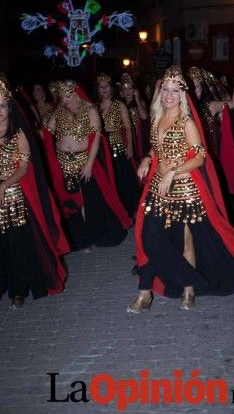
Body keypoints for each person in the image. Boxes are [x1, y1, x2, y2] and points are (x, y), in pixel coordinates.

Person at [127, 66, 234, 313]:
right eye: (166, 90)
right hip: (159, 189)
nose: (169, 95)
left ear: (182, 94)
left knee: (187, 242)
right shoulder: (157, 118)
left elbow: (201, 157)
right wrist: (147, 159)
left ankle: (188, 289)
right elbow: (156, 149)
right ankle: (145, 291)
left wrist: (173, 171)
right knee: (148, 237)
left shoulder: (187, 121)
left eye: (175, 90)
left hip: (185, 190)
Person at [0, 74, 69, 308]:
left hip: (16, 199)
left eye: (2, 105)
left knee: (17, 244)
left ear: (9, 107)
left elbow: (24, 168)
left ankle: (18, 289)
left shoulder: (17, 134)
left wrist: (4, 185)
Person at [43, 79, 131, 251]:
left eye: (67, 96)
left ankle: (93, 233)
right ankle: (81, 238)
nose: (64, 99)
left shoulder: (90, 109)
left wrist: (89, 164)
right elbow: (47, 131)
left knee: (87, 200)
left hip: (83, 161)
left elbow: (96, 137)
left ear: (75, 93)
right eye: (62, 96)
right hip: (63, 162)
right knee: (71, 201)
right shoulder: (60, 110)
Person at [188, 67, 234, 236]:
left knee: (216, 193)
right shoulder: (183, 111)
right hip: (190, 158)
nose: (195, 91)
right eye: (191, 87)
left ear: (202, 88)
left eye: (197, 87)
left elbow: (233, 104)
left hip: (210, 157)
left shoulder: (209, 106)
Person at [96, 72, 141, 218]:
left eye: (107, 87)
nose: (105, 90)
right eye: (101, 87)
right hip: (102, 147)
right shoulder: (95, 107)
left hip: (118, 146)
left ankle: (128, 208)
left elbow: (128, 127)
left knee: (122, 179)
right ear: (98, 90)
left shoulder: (119, 105)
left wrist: (130, 147)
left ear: (111, 89)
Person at [120, 73, 149, 164]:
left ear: (134, 90)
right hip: (126, 137)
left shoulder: (141, 102)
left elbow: (144, 116)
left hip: (139, 136)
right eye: (125, 89)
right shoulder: (119, 106)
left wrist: (137, 99)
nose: (127, 91)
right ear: (121, 93)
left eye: (130, 88)